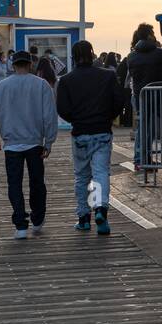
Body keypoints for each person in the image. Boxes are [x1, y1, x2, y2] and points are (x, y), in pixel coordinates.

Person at [0, 50, 59, 239]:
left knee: (14, 184)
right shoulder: (42, 85)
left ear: (13, 65)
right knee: (37, 183)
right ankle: (37, 218)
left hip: (11, 144)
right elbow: (49, 117)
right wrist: (49, 141)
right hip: (35, 142)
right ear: (30, 64)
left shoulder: (2, 86)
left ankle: (20, 224)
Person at [57, 40, 127, 235]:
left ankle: (83, 218)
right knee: (100, 173)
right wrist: (107, 117)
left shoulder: (67, 81)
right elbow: (119, 101)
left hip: (80, 132)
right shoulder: (107, 76)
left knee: (81, 176)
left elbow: (62, 109)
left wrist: (76, 119)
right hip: (102, 131)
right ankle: (100, 210)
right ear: (92, 54)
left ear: (73, 56)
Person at [126, 25, 162, 169]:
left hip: (138, 94)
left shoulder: (131, 55)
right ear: (149, 36)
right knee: (148, 129)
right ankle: (142, 159)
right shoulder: (157, 53)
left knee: (144, 127)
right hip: (153, 94)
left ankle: (142, 158)